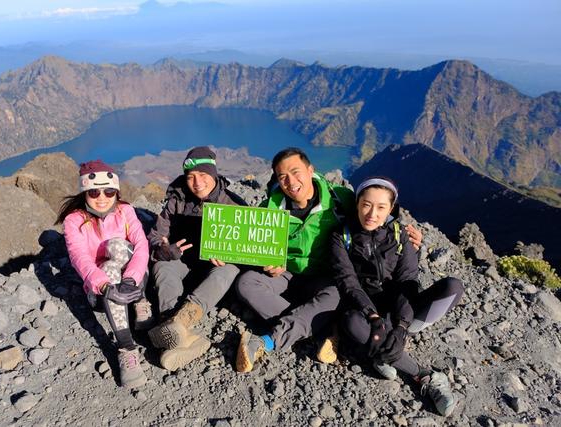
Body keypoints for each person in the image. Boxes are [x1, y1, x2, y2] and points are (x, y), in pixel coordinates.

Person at [234, 147, 422, 372]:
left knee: (335, 296)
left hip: (326, 278)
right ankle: (323, 329)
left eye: (296, 172)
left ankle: (269, 339)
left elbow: (372, 216)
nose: (290, 181)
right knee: (246, 283)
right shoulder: (268, 210)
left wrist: (406, 234)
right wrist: (268, 262)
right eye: (282, 176)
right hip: (286, 273)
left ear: (310, 170)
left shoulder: (340, 200)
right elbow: (255, 247)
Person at [330, 176, 464, 417]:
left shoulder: (400, 236)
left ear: (391, 208)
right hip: (366, 311)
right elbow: (348, 282)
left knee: (453, 287)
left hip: (400, 308)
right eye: (366, 204)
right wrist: (372, 316)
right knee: (352, 323)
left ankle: (385, 349)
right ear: (357, 203)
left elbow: (408, 281)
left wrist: (402, 326)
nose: (372, 213)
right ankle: (423, 374)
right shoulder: (342, 236)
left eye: (381, 207)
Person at [147, 146, 246, 371]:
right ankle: (181, 333)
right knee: (163, 266)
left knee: (229, 270)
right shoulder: (177, 200)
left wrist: (229, 253)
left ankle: (181, 322)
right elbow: (155, 236)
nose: (197, 182)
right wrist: (164, 249)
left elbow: (248, 250)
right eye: (191, 177)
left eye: (203, 175)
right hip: (184, 262)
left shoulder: (233, 203)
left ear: (214, 174)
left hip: (212, 273)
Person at [57, 159, 151, 389]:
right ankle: (127, 348)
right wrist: (105, 285)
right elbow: (80, 258)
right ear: (84, 192)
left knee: (118, 245)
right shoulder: (74, 221)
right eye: (94, 191)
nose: (102, 197)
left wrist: (130, 281)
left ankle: (140, 301)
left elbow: (141, 246)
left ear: (116, 191)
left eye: (109, 191)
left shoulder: (125, 211)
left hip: (133, 282)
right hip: (101, 293)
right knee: (107, 268)